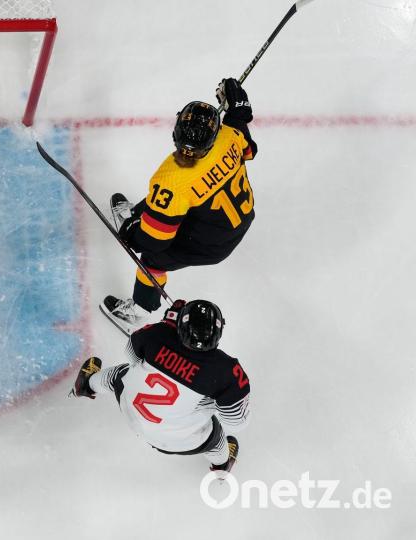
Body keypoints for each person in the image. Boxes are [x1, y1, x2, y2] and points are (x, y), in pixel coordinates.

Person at [102, 78, 257, 334]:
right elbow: (243, 131)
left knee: (153, 259)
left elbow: (152, 242)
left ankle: (140, 309)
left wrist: (130, 233)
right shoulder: (230, 136)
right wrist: (237, 105)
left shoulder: (172, 177)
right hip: (235, 217)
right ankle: (138, 215)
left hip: (211, 242)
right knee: (169, 201)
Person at [72, 299, 250, 476]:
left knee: (121, 373)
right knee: (216, 437)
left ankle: (87, 385)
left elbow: (131, 355)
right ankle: (222, 465)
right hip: (184, 442)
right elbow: (236, 422)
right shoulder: (227, 371)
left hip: (132, 416)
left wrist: (167, 324)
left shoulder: (157, 333)